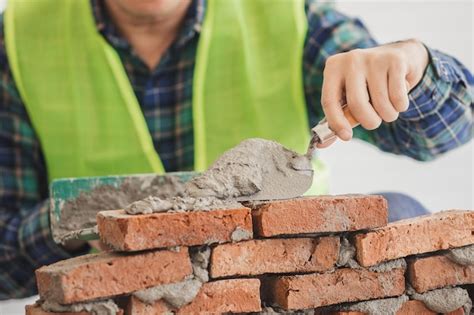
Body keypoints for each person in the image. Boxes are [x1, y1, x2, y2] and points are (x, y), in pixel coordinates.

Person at [0, 0, 472, 300]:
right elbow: (6, 260)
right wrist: (110, 220)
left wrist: (413, 64)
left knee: (404, 214)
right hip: (125, 295)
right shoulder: (20, 37)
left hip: (290, 279)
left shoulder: (287, 14)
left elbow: (443, 133)